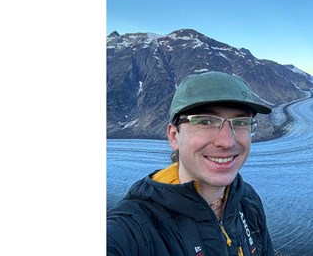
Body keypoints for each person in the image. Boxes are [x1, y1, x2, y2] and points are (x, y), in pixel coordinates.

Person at [107, 71, 277, 256]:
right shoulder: (133, 228)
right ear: (174, 136)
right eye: (205, 121)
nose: (227, 141)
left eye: (241, 122)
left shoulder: (246, 199)